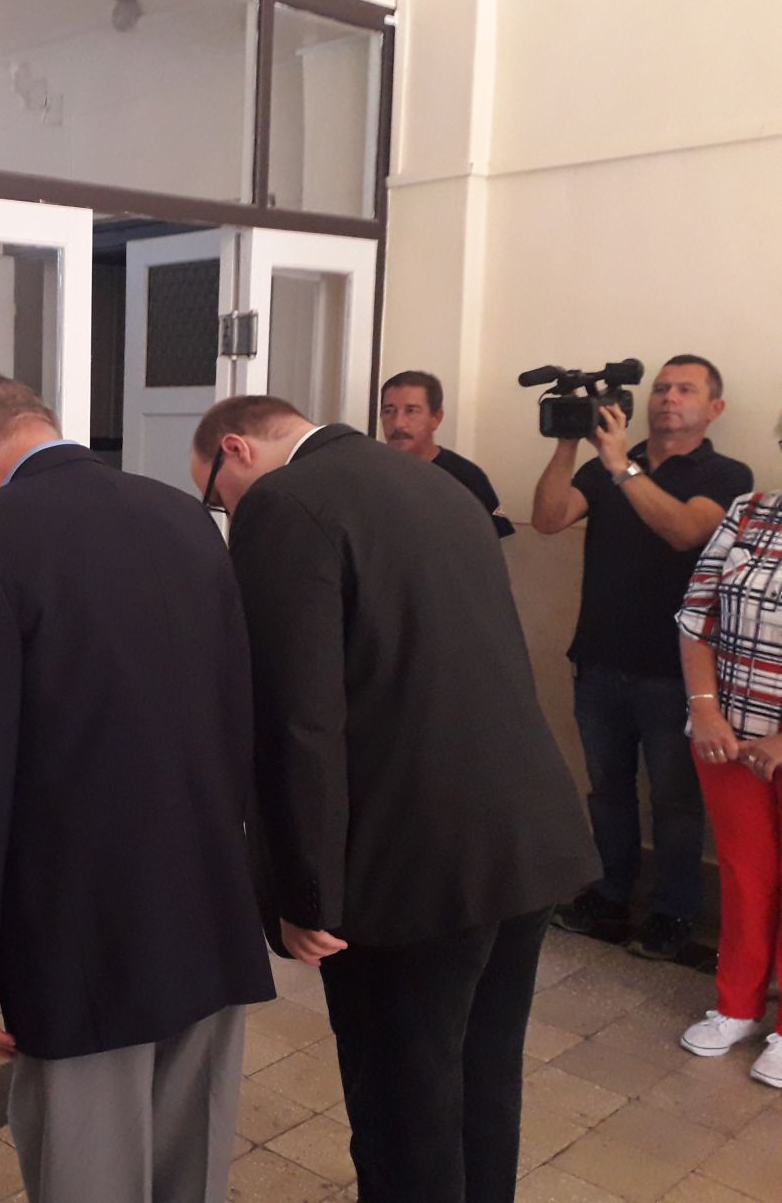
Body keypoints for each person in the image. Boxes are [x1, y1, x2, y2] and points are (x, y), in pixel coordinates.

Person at [193, 396, 596, 1203]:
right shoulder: (434, 484)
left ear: (235, 450)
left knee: (402, 1105)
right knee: (482, 1076)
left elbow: (297, 718)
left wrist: (303, 892)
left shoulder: (284, 503)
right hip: (522, 832)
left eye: (213, 496)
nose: (224, 511)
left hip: (411, 859)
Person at [0, 375, 273, 1203]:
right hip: (208, 899)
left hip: (76, 928)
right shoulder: (183, 515)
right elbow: (238, 706)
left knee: (88, 1171)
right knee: (191, 1163)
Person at [533, 355, 753, 959]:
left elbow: (686, 531)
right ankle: (609, 897)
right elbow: (547, 519)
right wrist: (568, 444)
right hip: (599, 660)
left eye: (685, 390)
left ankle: (673, 914)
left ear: (714, 408)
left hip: (677, 673)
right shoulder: (604, 466)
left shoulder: (726, 474)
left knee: (676, 804)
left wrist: (620, 466)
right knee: (606, 791)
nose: (667, 398)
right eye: (660, 388)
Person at [675, 471, 782, 1085]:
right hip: (730, 738)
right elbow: (697, 615)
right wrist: (706, 710)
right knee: (745, 873)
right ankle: (738, 1006)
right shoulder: (750, 510)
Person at [380, 369, 514, 536]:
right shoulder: (368, 474)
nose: (398, 423)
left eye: (411, 410)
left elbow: (496, 543)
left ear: (436, 418)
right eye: (389, 411)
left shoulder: (465, 477)